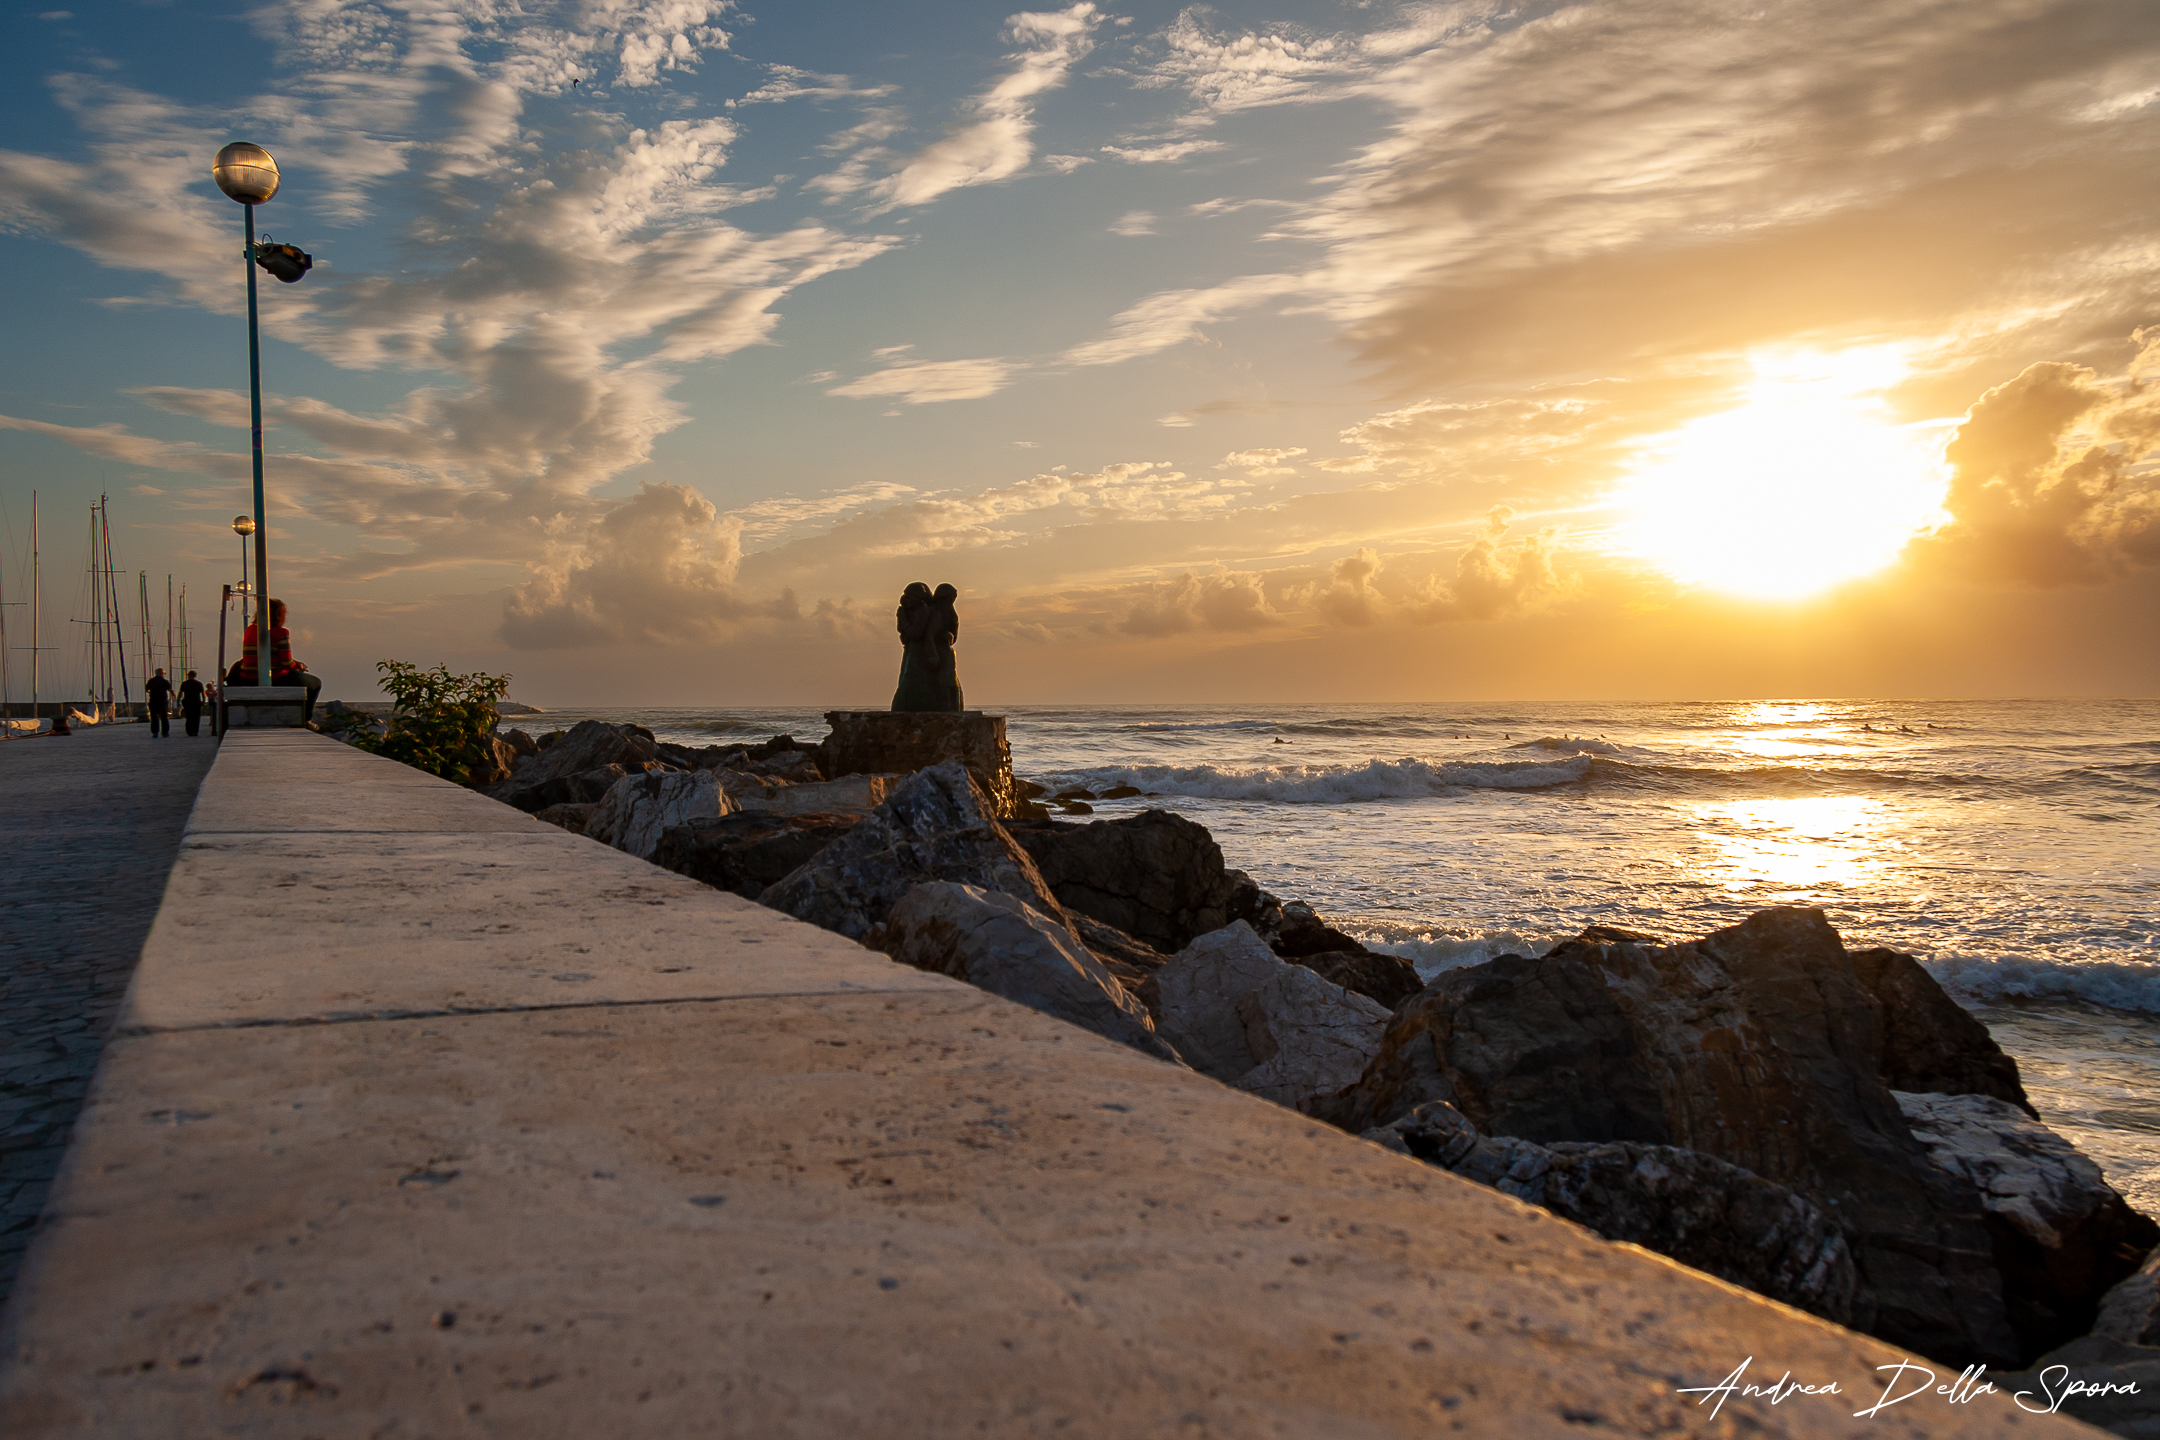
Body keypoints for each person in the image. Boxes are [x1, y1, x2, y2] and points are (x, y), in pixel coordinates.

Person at [225, 598, 321, 722]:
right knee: (315, 683)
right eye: (284, 613)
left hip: (246, 677)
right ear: (278, 615)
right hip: (273, 677)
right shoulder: (281, 632)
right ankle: (306, 719)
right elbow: (286, 662)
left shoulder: (250, 630)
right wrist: (298, 666)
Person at [144, 667, 172, 738]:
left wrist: (152, 692)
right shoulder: (165, 681)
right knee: (164, 717)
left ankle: (155, 732)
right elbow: (170, 689)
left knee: (154, 717)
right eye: (164, 673)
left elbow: (147, 690)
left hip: (153, 701)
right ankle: (165, 732)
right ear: (162, 673)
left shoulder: (151, 681)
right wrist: (175, 696)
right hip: (162, 701)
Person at [178, 670, 206, 737]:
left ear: (189, 675)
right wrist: (204, 701)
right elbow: (203, 693)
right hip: (196, 702)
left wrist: (178, 701)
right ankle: (195, 731)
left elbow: (180, 693)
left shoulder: (185, 683)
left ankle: (189, 731)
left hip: (187, 702)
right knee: (196, 717)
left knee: (189, 717)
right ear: (195, 676)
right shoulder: (199, 683)